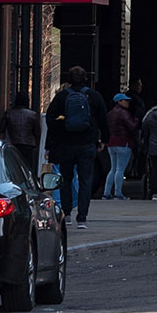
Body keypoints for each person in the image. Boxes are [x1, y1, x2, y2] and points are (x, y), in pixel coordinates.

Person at [44, 66, 109, 225]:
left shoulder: (61, 97)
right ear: (86, 78)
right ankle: (82, 217)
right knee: (85, 180)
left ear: (68, 80)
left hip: (65, 144)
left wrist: (55, 139)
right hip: (87, 144)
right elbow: (103, 120)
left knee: (66, 179)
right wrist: (103, 140)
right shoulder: (94, 96)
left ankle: (66, 214)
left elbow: (50, 120)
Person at [0, 90, 43, 173]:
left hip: (12, 144)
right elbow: (37, 132)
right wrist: (36, 144)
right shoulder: (33, 115)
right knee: (27, 168)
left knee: (13, 168)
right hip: (28, 145)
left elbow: (1, 129)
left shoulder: (9, 113)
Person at [106, 94, 138, 202]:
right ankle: (118, 193)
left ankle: (106, 193)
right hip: (123, 142)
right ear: (119, 101)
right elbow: (132, 126)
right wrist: (137, 119)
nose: (128, 102)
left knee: (113, 168)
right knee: (120, 169)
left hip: (111, 142)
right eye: (125, 100)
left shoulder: (110, 113)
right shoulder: (124, 113)